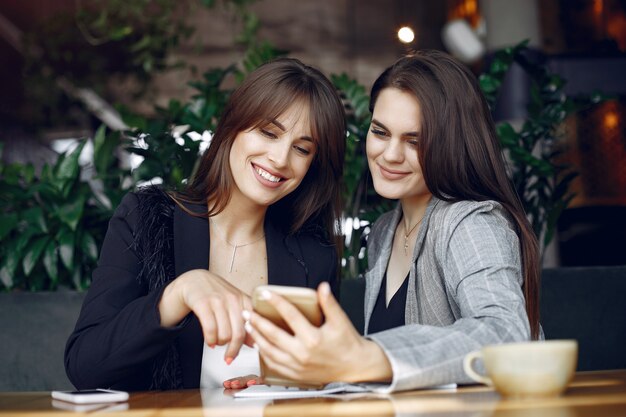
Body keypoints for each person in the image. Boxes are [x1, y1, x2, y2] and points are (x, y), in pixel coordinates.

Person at [235, 50, 541, 392]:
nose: (390, 154)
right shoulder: (384, 232)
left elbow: (506, 335)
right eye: (380, 132)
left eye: (415, 141)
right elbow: (396, 374)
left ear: (451, 144)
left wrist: (366, 357)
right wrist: (320, 376)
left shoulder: (469, 221)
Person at [64, 57, 346, 391]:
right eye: (269, 133)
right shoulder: (146, 218)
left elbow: (326, 381)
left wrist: (287, 387)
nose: (280, 159)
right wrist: (176, 296)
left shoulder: (314, 257)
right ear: (233, 126)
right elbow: (84, 366)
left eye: (301, 149)